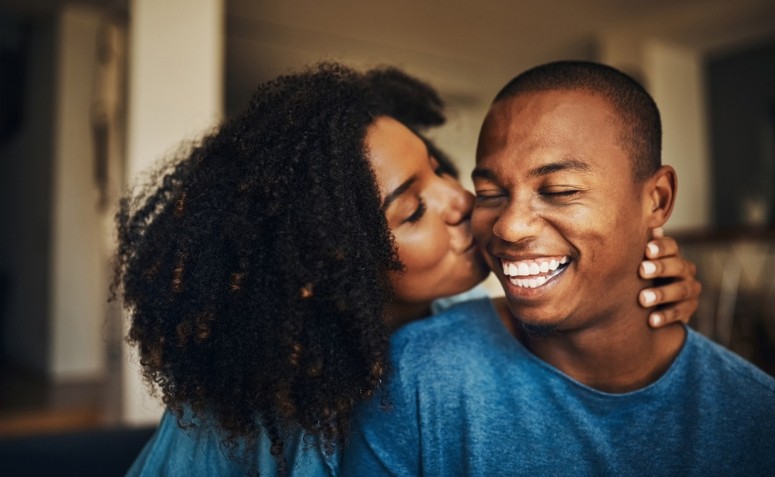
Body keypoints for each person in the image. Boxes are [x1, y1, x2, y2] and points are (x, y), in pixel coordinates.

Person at [114, 63, 701, 476]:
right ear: (326, 263)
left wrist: (636, 283)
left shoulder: (460, 322)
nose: (461, 202)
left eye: (440, 169)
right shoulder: (242, 407)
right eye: (414, 209)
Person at [341, 60, 775, 476]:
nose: (509, 227)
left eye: (560, 190)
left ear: (656, 200)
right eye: (490, 192)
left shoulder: (754, 416)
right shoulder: (414, 375)